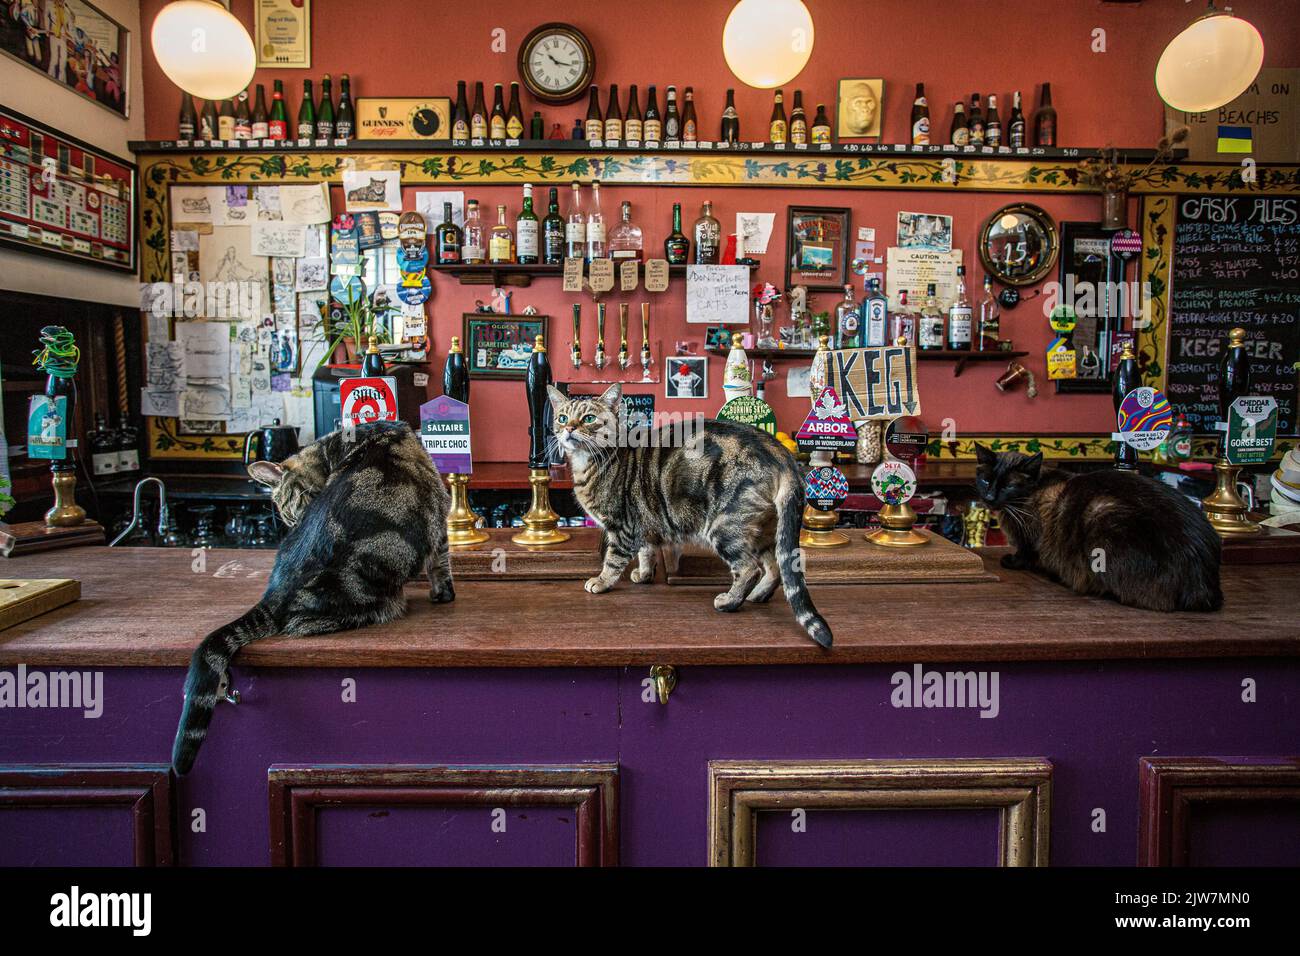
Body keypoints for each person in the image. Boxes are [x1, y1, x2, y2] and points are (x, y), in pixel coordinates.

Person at [44, 0, 70, 83]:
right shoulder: (50, 6)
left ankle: (61, 81)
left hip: (63, 37)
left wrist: (68, 34)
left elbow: (69, 25)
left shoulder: (66, 11)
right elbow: (46, 16)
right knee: (54, 59)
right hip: (53, 34)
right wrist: (47, 29)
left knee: (63, 61)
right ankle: (50, 78)